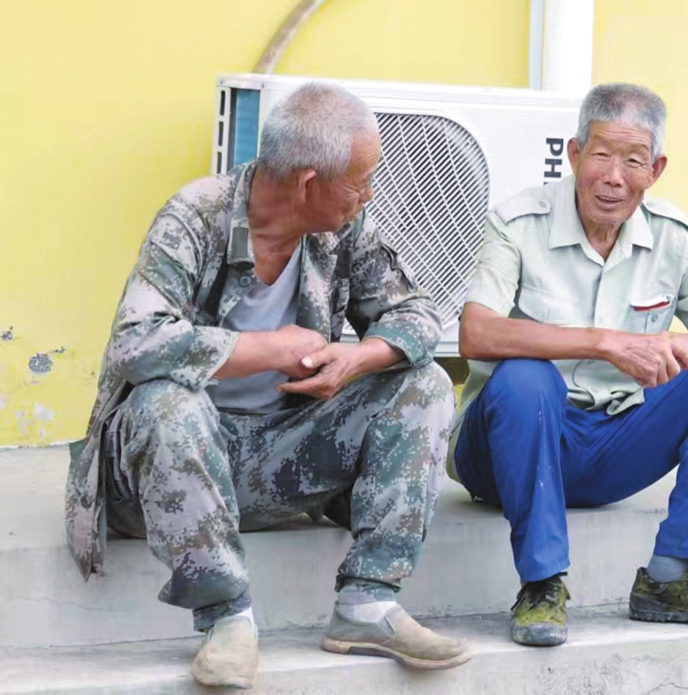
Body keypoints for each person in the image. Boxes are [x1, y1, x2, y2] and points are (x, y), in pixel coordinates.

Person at [64, 81, 469, 689]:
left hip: (279, 459)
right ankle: (227, 618)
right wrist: (266, 349)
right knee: (166, 402)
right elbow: (135, 342)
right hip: (162, 477)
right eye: (360, 182)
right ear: (308, 183)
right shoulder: (196, 215)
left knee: (424, 382)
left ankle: (368, 601)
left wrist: (358, 358)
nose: (368, 194)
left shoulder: (343, 227)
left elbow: (416, 313)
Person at [451, 82, 688, 647]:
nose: (614, 177)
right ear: (575, 154)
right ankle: (541, 586)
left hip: (611, 447)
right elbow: (475, 334)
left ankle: (672, 577)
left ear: (656, 170)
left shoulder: (671, 238)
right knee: (525, 377)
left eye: (634, 161)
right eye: (601, 154)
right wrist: (603, 342)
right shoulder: (516, 224)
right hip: (506, 450)